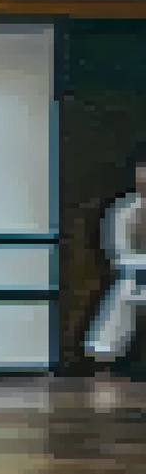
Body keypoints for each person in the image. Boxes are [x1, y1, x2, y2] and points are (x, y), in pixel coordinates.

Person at [84, 142, 146, 377]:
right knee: (123, 292)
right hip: (135, 274)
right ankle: (105, 355)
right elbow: (117, 251)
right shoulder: (124, 209)